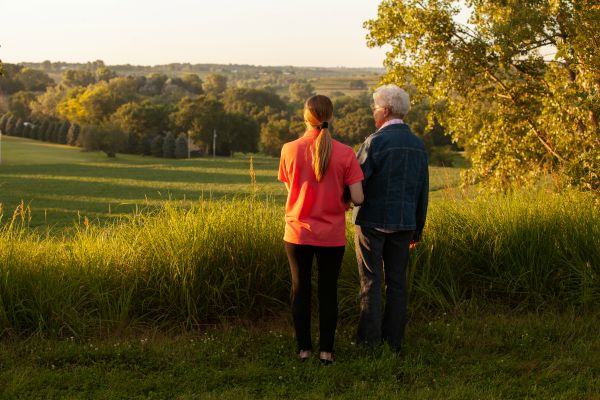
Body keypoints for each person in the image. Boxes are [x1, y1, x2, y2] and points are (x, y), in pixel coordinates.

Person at [278, 95, 364, 364]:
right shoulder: (345, 152)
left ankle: (304, 349)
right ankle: (326, 351)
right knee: (328, 292)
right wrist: (344, 200)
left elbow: (291, 189)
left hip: (297, 233)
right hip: (331, 235)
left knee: (299, 290)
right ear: (331, 116)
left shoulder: (289, 149)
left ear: (306, 116)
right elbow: (359, 197)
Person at [353, 84, 429, 352]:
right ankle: (393, 341)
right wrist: (417, 231)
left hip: (372, 221)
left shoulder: (375, 142)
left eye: (375, 108)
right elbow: (422, 192)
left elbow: (356, 181)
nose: (374, 113)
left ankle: (368, 342)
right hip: (405, 224)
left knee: (371, 282)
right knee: (397, 283)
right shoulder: (418, 146)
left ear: (384, 111)